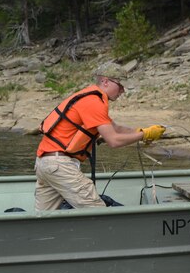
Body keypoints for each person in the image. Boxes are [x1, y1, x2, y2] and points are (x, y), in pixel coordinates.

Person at [34, 62, 165, 210]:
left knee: (43, 218)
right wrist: (143, 135)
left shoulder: (90, 97)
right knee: (97, 212)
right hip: (59, 166)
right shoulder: (94, 102)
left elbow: (116, 128)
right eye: (120, 85)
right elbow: (114, 141)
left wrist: (143, 131)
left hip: (44, 164)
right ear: (105, 81)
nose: (123, 90)